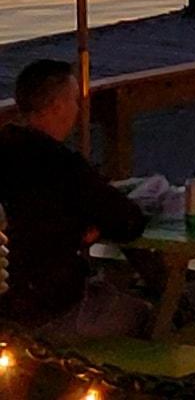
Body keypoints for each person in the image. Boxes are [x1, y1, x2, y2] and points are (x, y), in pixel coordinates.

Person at [0, 60, 149, 341]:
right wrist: (89, 227)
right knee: (143, 313)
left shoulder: (7, 149)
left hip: (11, 301)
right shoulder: (62, 165)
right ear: (56, 106)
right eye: (73, 100)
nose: (78, 109)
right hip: (47, 308)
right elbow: (129, 222)